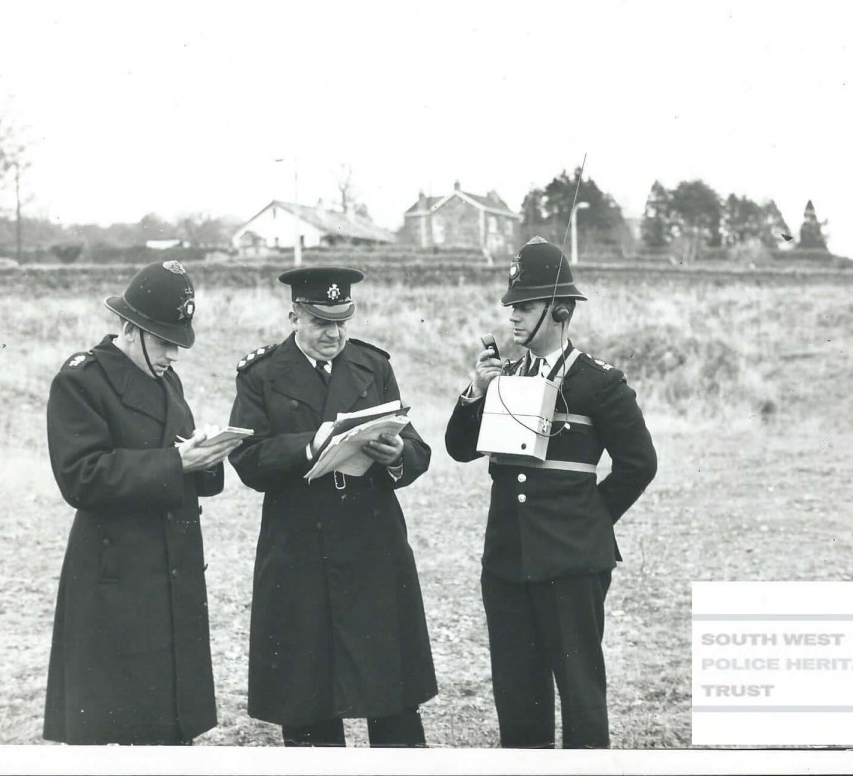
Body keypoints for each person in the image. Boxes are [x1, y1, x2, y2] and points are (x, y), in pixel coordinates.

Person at [445, 237, 657, 749]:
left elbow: (639, 464)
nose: (513, 317)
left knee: (580, 694)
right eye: (511, 307)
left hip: (572, 563)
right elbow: (459, 449)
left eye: (526, 307)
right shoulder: (502, 377)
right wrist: (475, 391)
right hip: (506, 559)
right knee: (517, 694)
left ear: (558, 310)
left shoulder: (599, 382)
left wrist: (589, 521)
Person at [228, 266, 437, 747]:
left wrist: (397, 453)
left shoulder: (372, 365)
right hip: (300, 550)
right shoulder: (262, 375)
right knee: (308, 695)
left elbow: (417, 449)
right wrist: (311, 443)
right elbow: (247, 457)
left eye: (343, 320)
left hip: (373, 546)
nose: (335, 333)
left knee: (392, 694)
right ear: (294, 315)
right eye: (322, 322)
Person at [43, 260, 241, 745]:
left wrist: (206, 457)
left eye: (178, 341)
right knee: (116, 723)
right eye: (164, 340)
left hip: (172, 568)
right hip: (114, 576)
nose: (174, 353)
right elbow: (81, 477)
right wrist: (177, 462)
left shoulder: (164, 377)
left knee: (169, 719)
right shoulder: (82, 380)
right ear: (130, 330)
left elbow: (181, 457)